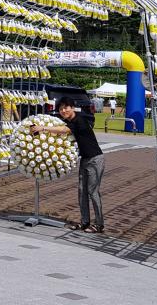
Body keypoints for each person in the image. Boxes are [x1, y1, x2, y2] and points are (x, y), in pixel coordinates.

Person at [31, 96, 104, 233]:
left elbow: (65, 130)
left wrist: (43, 128)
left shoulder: (79, 120)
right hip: (85, 159)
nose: (63, 110)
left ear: (72, 108)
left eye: (66, 107)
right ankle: (85, 222)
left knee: (92, 192)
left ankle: (99, 224)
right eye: (61, 108)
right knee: (82, 192)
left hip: (95, 159)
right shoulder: (71, 120)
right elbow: (62, 130)